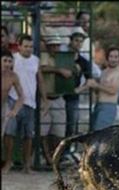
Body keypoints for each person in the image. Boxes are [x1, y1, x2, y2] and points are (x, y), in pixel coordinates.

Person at [4, 34, 49, 174]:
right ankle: (8, 163)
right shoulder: (13, 59)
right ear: (19, 46)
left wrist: (45, 100)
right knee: (9, 133)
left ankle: (27, 165)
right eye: (26, 46)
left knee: (28, 135)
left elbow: (40, 80)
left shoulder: (35, 60)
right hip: (13, 99)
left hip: (30, 102)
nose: (29, 49)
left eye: (30, 46)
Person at [40, 36, 71, 166]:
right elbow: (41, 68)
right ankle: (48, 158)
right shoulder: (44, 56)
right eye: (52, 45)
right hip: (45, 97)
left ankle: (54, 158)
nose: (55, 48)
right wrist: (58, 70)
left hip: (59, 97)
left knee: (59, 132)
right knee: (43, 131)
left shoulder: (63, 58)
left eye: (57, 45)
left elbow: (71, 70)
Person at [84, 46, 119, 131]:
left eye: (116, 57)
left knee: (99, 133)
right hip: (98, 105)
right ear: (107, 57)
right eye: (111, 56)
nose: (113, 59)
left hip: (108, 106)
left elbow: (113, 90)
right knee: (92, 132)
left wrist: (96, 85)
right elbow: (99, 89)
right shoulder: (104, 72)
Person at [63, 27, 92, 138]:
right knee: (57, 126)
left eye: (81, 41)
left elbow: (90, 81)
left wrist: (78, 90)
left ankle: (67, 151)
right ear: (71, 41)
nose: (78, 43)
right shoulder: (61, 57)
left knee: (71, 125)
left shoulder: (84, 62)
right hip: (58, 96)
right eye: (76, 40)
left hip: (73, 98)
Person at [2, 48, 25, 158]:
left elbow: (21, 96)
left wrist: (15, 110)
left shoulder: (13, 76)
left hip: (3, 107)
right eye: (5, 60)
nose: (7, 64)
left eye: (10, 61)